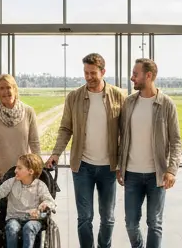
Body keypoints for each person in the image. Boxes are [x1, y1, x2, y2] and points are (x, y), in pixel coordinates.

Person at [46, 53, 126, 248]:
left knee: (108, 217)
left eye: (93, 73)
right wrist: (56, 153)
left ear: (103, 72)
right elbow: (66, 128)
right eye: (85, 73)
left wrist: (124, 164)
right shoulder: (74, 97)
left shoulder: (119, 96)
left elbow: (126, 132)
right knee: (85, 217)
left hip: (109, 166)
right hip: (82, 167)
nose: (88, 77)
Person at [117, 58, 182, 248]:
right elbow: (122, 137)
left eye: (135, 74)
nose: (132, 78)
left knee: (154, 223)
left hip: (158, 175)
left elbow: (176, 141)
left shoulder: (167, 104)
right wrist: (120, 166)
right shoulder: (129, 103)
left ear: (149, 76)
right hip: (132, 174)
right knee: (130, 223)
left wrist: (172, 170)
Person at [0, 153, 56, 248]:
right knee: (12, 228)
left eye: (19, 168)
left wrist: (43, 206)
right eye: (16, 167)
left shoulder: (40, 186)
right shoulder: (11, 182)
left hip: (33, 219)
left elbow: (50, 201)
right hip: (14, 217)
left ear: (30, 171)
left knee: (29, 228)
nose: (15, 170)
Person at [0, 74, 41, 187]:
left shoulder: (28, 111)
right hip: (2, 175)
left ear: (15, 89)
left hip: (26, 173)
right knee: (5, 205)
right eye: (1, 88)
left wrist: (39, 168)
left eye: (8, 87)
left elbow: (34, 143)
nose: (6, 91)